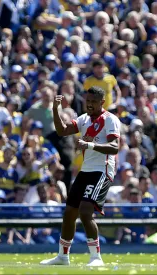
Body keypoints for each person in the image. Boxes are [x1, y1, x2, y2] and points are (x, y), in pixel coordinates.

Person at [40, 86, 121, 266]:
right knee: (69, 212)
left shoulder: (110, 120)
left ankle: (96, 257)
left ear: (102, 102)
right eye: (88, 101)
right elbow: (62, 131)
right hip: (86, 170)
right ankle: (62, 256)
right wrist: (55, 110)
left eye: (93, 101)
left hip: (102, 170)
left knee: (85, 211)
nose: (90, 104)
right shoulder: (83, 119)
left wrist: (89, 145)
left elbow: (115, 147)